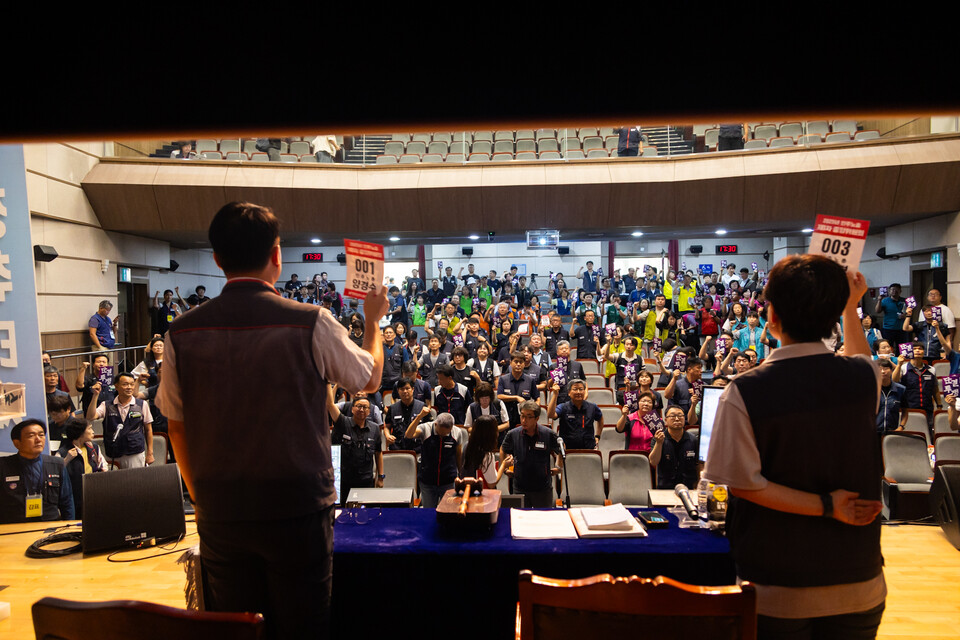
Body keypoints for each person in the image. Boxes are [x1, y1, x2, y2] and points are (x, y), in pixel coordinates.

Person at [156, 201, 389, 639]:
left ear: (218, 259)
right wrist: (372, 323)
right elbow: (370, 378)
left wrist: (203, 497)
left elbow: (176, 425)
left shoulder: (179, 332)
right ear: (277, 255)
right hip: (297, 508)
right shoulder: (312, 321)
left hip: (221, 510)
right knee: (304, 625)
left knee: (237, 628)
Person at [704, 255, 885, 638]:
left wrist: (826, 505)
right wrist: (851, 308)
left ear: (771, 316)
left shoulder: (744, 391)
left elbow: (742, 485)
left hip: (778, 586)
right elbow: (859, 356)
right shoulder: (864, 379)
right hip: (859, 580)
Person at [0, 419, 74, 523]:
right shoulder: (3, 466)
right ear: (17, 443)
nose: (38, 439)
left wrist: (69, 528)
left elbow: (67, 502)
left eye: (41, 435)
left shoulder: (57, 464)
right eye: (31, 435)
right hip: (13, 528)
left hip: (49, 526)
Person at [500, 401, 562, 509]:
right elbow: (503, 449)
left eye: (529, 417)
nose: (524, 420)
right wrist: (505, 469)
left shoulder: (547, 434)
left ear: (537, 418)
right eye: (522, 416)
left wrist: (559, 467)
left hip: (542, 488)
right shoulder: (513, 434)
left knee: (543, 522)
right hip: (520, 487)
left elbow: (561, 449)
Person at [86, 371, 154, 468]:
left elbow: (148, 429)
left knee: (135, 481)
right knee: (114, 482)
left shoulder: (142, 404)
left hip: (135, 452)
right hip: (113, 452)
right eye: (125, 384)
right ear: (116, 386)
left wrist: (150, 453)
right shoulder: (106, 405)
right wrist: (95, 395)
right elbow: (90, 416)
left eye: (131, 384)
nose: (129, 387)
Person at [328, 389, 383, 505]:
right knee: (343, 513)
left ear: (369, 411)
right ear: (352, 409)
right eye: (358, 406)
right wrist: (329, 382)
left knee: (365, 515)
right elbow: (329, 404)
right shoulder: (342, 422)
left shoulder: (374, 429)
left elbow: (378, 453)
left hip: (365, 481)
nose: (361, 410)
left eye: (365, 407)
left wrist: (380, 477)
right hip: (344, 480)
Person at [405, 409, 462, 508]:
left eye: (446, 434)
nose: (443, 435)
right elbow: (408, 435)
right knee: (429, 511)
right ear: (435, 424)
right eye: (440, 433)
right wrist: (419, 416)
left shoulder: (457, 432)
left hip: (448, 481)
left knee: (449, 511)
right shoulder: (425, 428)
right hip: (428, 481)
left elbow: (458, 455)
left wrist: (460, 474)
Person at [55, 416, 107, 519]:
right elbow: (56, 474)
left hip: (92, 494)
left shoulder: (93, 448)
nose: (93, 432)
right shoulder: (63, 452)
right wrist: (66, 460)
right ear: (80, 433)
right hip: (73, 498)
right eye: (89, 429)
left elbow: (103, 465)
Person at [650, 405, 699, 490]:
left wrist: (699, 483)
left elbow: (699, 464)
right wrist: (659, 443)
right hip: (665, 489)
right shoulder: (658, 439)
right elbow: (653, 461)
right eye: (672, 416)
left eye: (680, 416)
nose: (677, 419)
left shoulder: (693, 440)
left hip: (689, 488)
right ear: (666, 420)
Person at [546, 378, 603, 450]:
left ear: (585, 392)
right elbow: (550, 415)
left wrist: (597, 436)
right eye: (575, 389)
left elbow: (600, 419)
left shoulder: (592, 407)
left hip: (588, 449)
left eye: (581, 389)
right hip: (567, 450)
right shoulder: (563, 407)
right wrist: (555, 395)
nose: (578, 392)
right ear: (569, 392)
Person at [459, 415, 513, 489]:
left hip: (467, 491)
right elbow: (492, 484)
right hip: (481, 496)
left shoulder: (467, 445)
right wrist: (503, 465)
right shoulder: (487, 455)